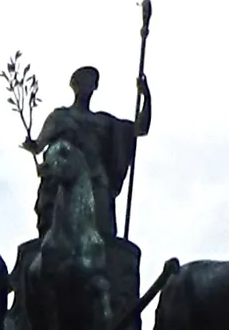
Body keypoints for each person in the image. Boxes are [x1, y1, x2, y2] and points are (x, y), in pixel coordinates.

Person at [29, 63, 149, 244]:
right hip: (65, 182)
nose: (87, 87)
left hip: (96, 180)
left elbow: (140, 128)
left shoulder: (103, 121)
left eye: (91, 82)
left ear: (95, 87)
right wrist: (32, 145)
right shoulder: (60, 116)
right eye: (83, 82)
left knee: (104, 233)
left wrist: (146, 97)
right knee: (54, 230)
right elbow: (39, 144)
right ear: (74, 85)